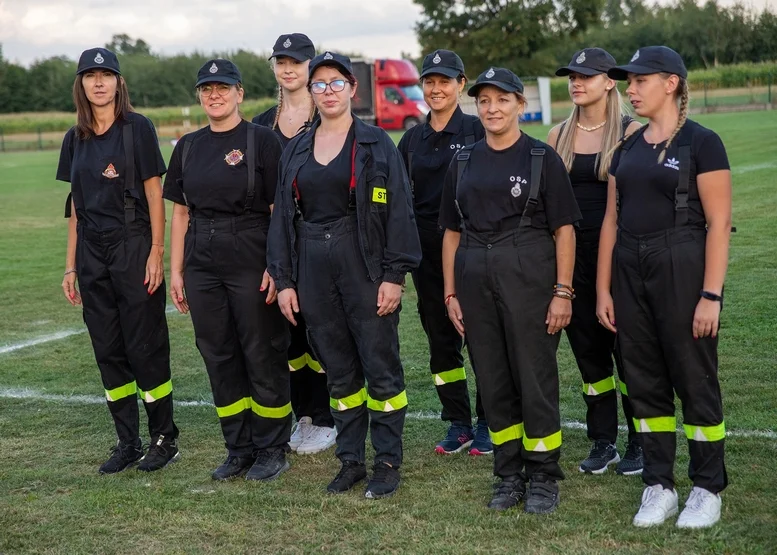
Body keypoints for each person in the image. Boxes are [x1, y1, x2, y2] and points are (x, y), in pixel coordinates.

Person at [267, 51, 421, 499]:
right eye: (320, 85)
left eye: (336, 83)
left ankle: (387, 461)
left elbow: (400, 211)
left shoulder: (376, 144)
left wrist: (394, 275)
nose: (328, 91)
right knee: (338, 370)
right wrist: (285, 279)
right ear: (309, 92)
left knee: (380, 366)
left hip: (364, 261)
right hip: (312, 264)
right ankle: (351, 459)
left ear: (353, 88)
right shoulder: (296, 146)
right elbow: (282, 220)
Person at [598, 46, 731, 528]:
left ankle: (706, 486)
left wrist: (710, 294)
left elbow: (719, 224)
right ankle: (658, 484)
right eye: (627, 82)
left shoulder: (702, 142)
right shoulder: (627, 148)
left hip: (682, 265)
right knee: (643, 379)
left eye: (639, 81)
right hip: (629, 269)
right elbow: (611, 221)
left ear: (671, 82)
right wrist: (603, 290)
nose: (630, 90)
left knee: (694, 380)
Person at [440, 67, 582, 513]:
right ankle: (508, 473)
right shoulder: (462, 160)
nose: (492, 108)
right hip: (473, 275)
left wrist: (562, 291)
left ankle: (542, 475)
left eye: (502, 100)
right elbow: (450, 232)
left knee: (533, 377)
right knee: (494, 380)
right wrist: (450, 293)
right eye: (484, 101)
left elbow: (564, 230)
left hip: (528, 274)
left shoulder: (541, 158)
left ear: (521, 105)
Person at [163, 59, 290, 482]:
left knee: (261, 350)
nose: (214, 95)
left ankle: (272, 447)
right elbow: (181, 213)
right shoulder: (188, 146)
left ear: (239, 93)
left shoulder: (262, 141)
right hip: (202, 255)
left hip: (251, 248)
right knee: (217, 353)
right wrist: (177, 270)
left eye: (223, 87)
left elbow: (279, 211)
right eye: (206, 89)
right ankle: (239, 447)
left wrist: (277, 264)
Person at [57, 47, 179, 474]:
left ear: (118, 83)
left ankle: (165, 437)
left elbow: (153, 193)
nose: (99, 82)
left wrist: (156, 253)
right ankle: (127, 441)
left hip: (132, 245)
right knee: (108, 348)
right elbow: (75, 206)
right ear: (82, 85)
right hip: (91, 252)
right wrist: (70, 265)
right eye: (90, 75)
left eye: (106, 74)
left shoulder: (137, 128)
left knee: (144, 346)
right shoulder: (75, 138)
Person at [548, 48, 643, 476]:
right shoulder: (556, 135)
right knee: (589, 356)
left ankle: (640, 441)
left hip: (618, 258)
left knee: (628, 354)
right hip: (570, 259)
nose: (576, 82)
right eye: (572, 75)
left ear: (610, 82)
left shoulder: (631, 130)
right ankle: (603, 439)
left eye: (587, 75)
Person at [397, 50, 491, 456]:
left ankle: (490, 422)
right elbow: (399, 201)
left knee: (483, 337)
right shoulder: (412, 140)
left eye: (445, 81)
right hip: (426, 255)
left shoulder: (477, 129)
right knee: (441, 341)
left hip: (472, 250)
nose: (436, 88)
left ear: (461, 85)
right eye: (430, 81)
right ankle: (458, 423)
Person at [253, 33, 336, 456]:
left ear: (310, 66)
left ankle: (325, 417)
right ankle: (302, 414)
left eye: (296, 62)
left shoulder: (327, 115)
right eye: (280, 62)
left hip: (319, 239)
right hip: (276, 242)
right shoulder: (263, 122)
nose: (288, 69)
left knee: (319, 328)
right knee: (288, 334)